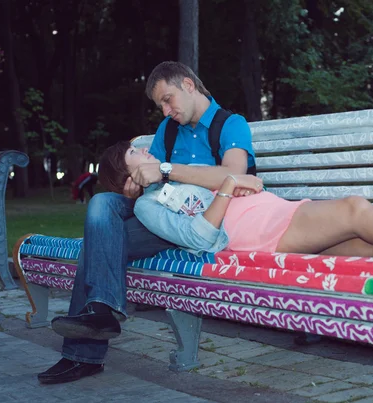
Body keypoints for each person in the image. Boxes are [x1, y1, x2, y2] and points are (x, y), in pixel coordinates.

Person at [37, 61, 256, 385]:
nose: (166, 111)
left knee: (97, 246)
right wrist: (133, 185)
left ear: (188, 85)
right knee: (101, 204)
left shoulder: (230, 124)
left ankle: (85, 350)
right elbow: (148, 177)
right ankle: (100, 314)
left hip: (194, 219)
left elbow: (233, 175)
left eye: (168, 99)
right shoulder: (168, 131)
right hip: (157, 210)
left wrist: (166, 170)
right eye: (160, 105)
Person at [94, 141, 373, 273]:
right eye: (134, 153)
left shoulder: (173, 175)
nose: (142, 148)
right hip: (255, 232)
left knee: (366, 245)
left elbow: (249, 179)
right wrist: (225, 189)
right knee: (354, 210)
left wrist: (179, 172)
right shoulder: (148, 207)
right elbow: (202, 237)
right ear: (127, 178)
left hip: (268, 212)